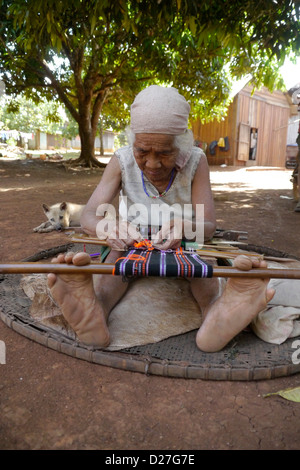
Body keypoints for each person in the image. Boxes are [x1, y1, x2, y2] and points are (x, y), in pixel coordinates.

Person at [47, 85, 275, 352]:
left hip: (185, 242)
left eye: (165, 153)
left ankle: (216, 311)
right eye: (142, 151)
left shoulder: (196, 161)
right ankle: (96, 309)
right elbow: (88, 216)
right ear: (132, 141)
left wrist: (186, 227)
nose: (152, 164)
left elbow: (208, 226)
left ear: (182, 145)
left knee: (202, 266)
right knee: (113, 267)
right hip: (132, 243)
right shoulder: (121, 160)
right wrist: (108, 227)